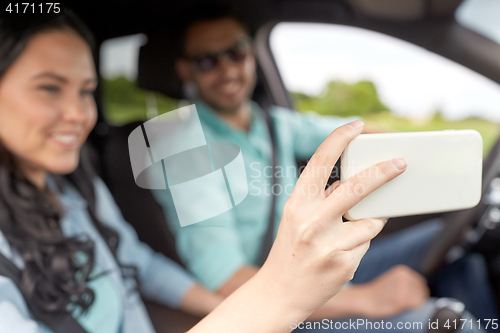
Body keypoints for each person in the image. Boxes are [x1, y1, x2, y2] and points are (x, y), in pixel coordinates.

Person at [0, 8, 426, 333]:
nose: (78, 114)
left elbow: (140, 266)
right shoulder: (179, 143)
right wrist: (346, 300)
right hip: (276, 282)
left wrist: (423, 151)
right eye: (49, 87)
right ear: (186, 71)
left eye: (87, 90)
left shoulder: (76, 188)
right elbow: (225, 274)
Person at [151, 2, 498, 331]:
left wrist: (435, 156)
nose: (227, 70)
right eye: (208, 62)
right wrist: (366, 299)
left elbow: (354, 131)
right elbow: (227, 281)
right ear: (186, 70)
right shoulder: (185, 147)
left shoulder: (272, 123)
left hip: (312, 261)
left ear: (250, 53)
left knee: (457, 248)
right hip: (274, 302)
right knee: (447, 322)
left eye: (235, 52)